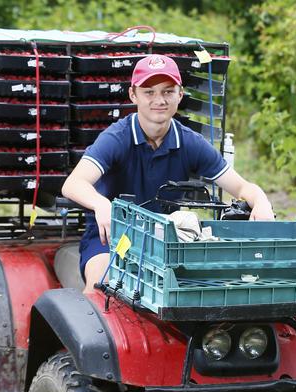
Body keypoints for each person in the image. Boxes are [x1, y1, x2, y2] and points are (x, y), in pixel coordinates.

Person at [61, 54, 275, 293]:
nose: (159, 100)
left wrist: (261, 201)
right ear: (133, 95)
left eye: (168, 91)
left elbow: (242, 187)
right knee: (102, 286)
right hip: (114, 238)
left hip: (166, 241)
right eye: (149, 92)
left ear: (180, 95)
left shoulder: (189, 142)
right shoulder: (117, 138)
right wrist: (102, 205)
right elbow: (73, 184)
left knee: (209, 289)